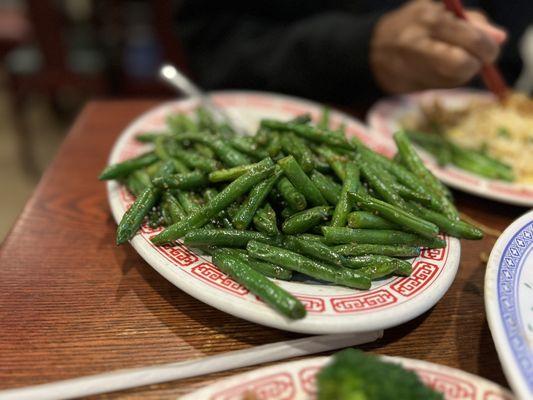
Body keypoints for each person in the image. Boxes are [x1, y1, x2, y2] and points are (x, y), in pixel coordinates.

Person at [175, 0, 531, 103]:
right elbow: (214, 47)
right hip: (261, 107)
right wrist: (361, 49)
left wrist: (481, 41)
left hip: (459, 138)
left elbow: (510, 50)